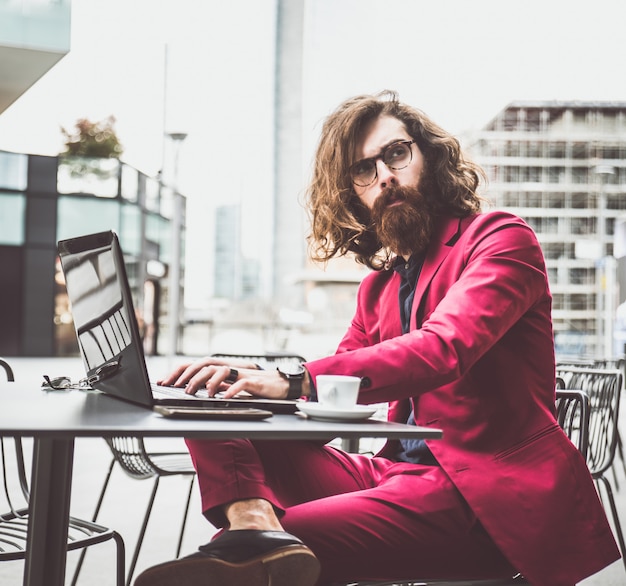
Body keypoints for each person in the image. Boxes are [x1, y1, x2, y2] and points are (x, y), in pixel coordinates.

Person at [135, 91, 619, 586]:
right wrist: (244, 381)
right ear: (354, 195)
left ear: (428, 156)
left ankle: (254, 547)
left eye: (395, 153)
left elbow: (443, 347)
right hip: (393, 476)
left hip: (480, 498)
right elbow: (331, 396)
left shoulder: (498, 239)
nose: (385, 175)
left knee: (280, 549)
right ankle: (252, 524)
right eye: (364, 170)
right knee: (212, 405)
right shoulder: (379, 288)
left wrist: (292, 379)